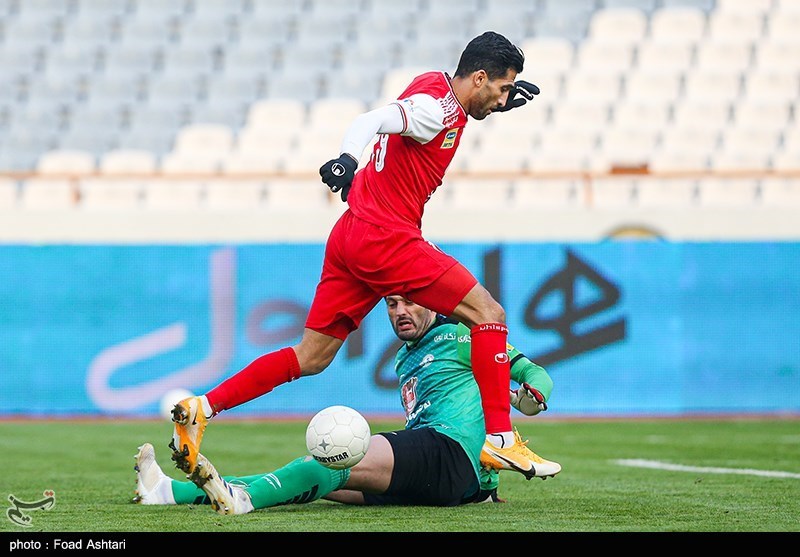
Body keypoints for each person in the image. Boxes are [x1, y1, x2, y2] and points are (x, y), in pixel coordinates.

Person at [169, 31, 543, 480]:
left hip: (351, 233)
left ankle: (202, 407)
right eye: (501, 89)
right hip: (386, 237)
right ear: (479, 77)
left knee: (311, 357)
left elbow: (404, 143)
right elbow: (372, 120)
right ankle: (501, 439)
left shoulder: (436, 86)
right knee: (488, 312)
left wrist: (497, 103)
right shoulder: (437, 110)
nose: (503, 98)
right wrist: (346, 158)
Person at [137, 296, 558, 515]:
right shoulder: (404, 356)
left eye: (410, 301)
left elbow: (532, 372)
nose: (401, 311)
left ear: (432, 302)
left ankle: (242, 503)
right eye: (392, 304)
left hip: (448, 453)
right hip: (446, 479)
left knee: (330, 458)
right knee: (314, 481)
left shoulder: (465, 336)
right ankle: (167, 492)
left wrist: (532, 397)